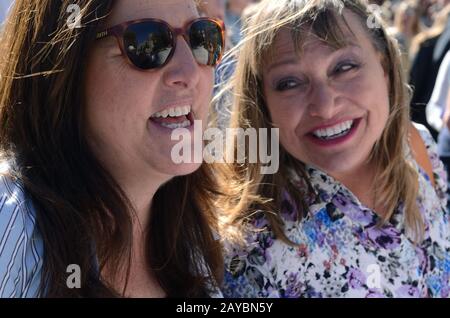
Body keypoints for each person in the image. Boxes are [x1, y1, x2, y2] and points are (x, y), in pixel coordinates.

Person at [218, 0, 450, 298]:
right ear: (263, 104)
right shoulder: (249, 255)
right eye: (290, 83)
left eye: (344, 67)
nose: (325, 107)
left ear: (385, 68)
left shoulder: (415, 145)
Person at [0, 0, 225, 297]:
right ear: (63, 69)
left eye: (201, 36)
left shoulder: (190, 233)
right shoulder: (13, 222)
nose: (191, 73)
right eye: (148, 42)